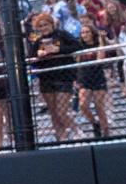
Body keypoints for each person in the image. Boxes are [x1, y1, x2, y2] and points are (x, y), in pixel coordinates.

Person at [30, 13, 82, 141]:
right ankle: (61, 137)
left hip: (64, 77)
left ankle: (77, 131)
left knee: (61, 110)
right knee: (53, 112)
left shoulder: (61, 34)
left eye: (45, 24)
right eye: (40, 26)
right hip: (46, 79)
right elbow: (31, 59)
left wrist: (58, 49)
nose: (43, 27)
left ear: (51, 24)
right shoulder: (37, 41)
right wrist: (38, 55)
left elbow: (77, 45)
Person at [76, 24, 111, 138]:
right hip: (84, 78)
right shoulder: (79, 46)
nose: (84, 35)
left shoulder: (97, 45)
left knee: (98, 105)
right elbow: (76, 63)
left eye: (87, 32)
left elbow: (100, 59)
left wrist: (101, 40)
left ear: (92, 34)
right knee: (83, 105)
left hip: (97, 77)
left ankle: (105, 130)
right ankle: (94, 123)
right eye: (82, 33)